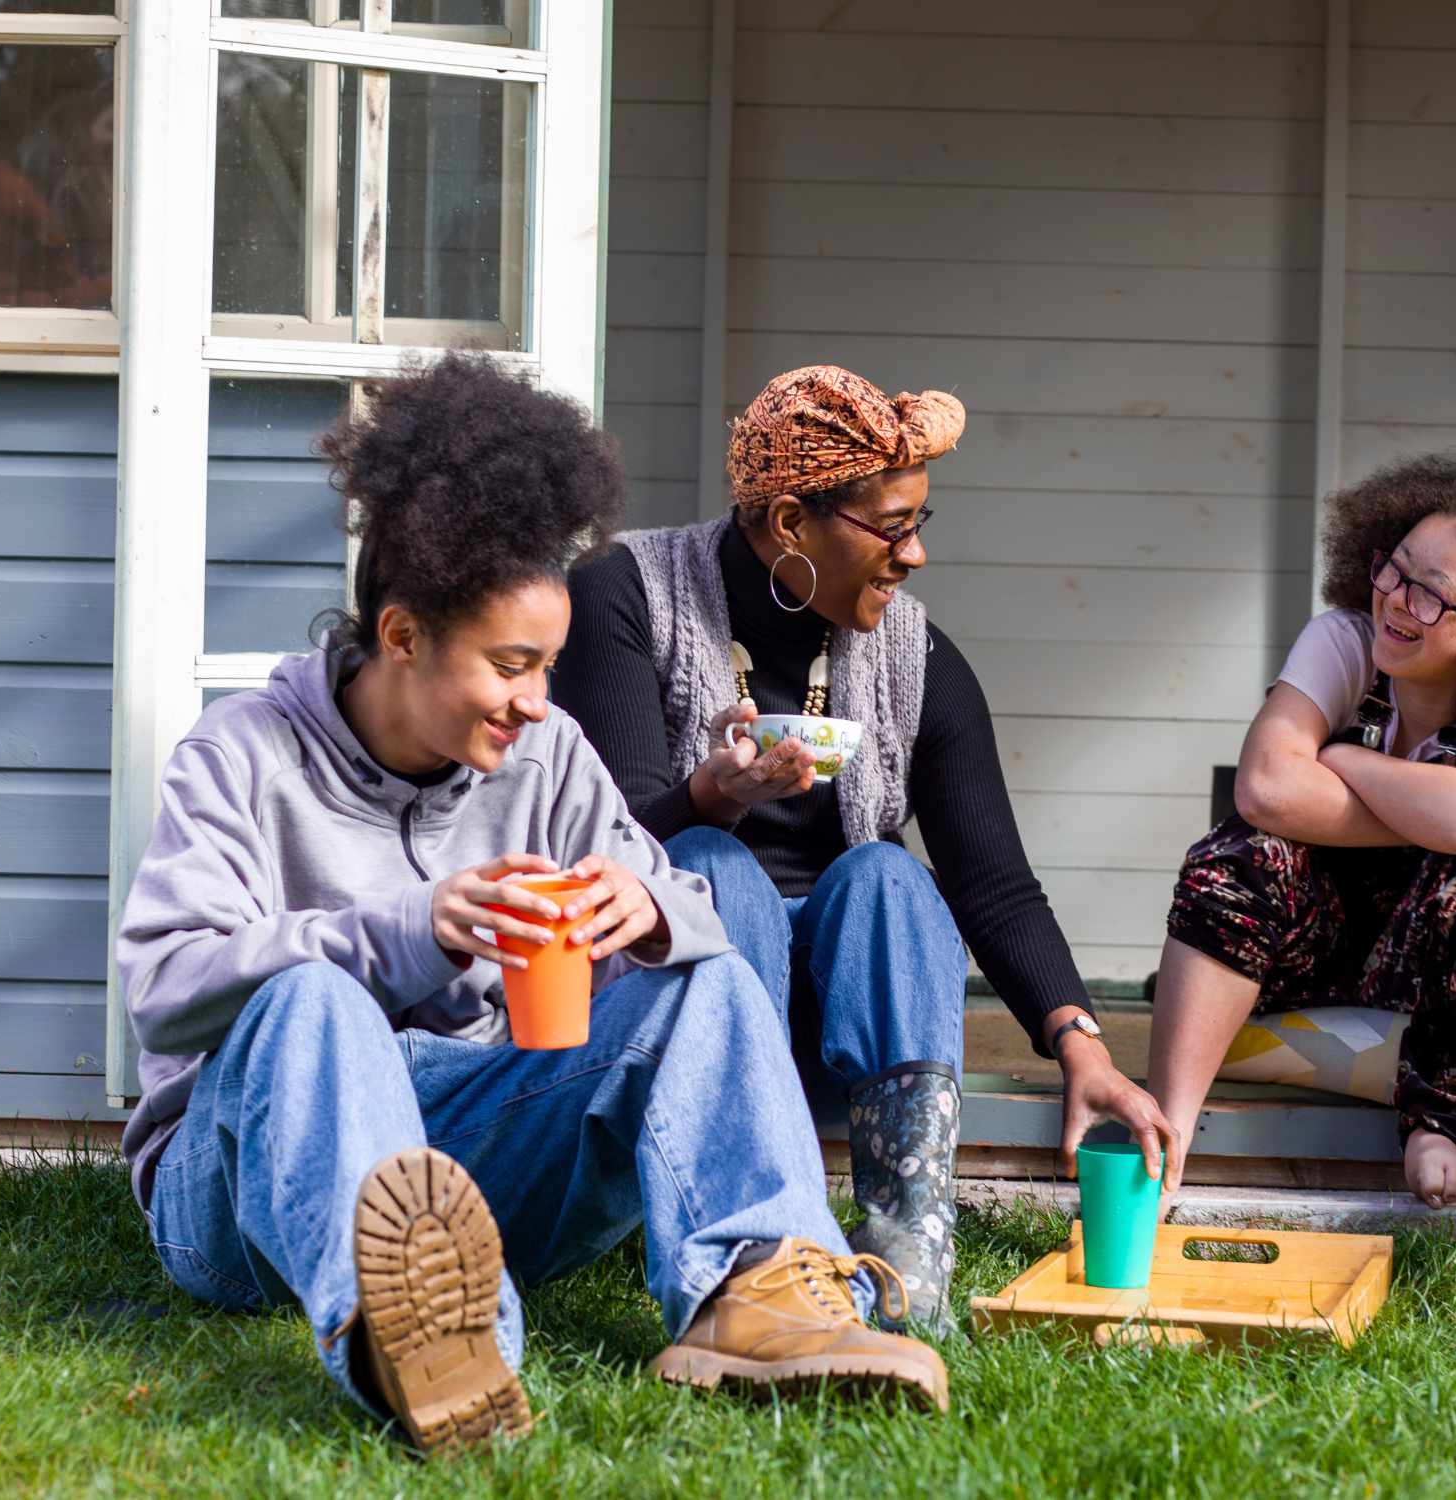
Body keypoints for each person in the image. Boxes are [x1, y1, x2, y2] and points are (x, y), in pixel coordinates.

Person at [116, 353, 948, 1457]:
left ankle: (763, 1292)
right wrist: (412, 929)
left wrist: (643, 905)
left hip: (470, 1148)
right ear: (403, 635)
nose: (539, 704)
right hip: (248, 1187)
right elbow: (167, 994)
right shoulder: (240, 757)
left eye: (548, 666)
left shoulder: (545, 759)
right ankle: (428, 1344)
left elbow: (685, 913)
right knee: (311, 1002)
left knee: (695, 974)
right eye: (512, 666)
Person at [555, 365, 1174, 1330]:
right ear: (793, 524)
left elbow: (995, 886)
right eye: (892, 527)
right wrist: (709, 797)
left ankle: (908, 1258)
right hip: (692, 1005)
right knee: (717, 874)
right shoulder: (625, 595)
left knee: (890, 876)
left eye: (923, 521)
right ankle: (761, 1246)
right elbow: (596, 838)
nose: (916, 554)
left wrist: (1080, 1046)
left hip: (852, 1013)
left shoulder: (914, 656)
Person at [1143, 456, 1456, 1209]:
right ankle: (1167, 1130)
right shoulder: (1342, 641)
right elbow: (1267, 787)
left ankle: (1438, 1126)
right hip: (1310, 950)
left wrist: (1342, 759)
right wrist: (1432, 810)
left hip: (1439, 973)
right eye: (1393, 569)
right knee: (1238, 853)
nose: (1395, 601)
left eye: (1432, 594)